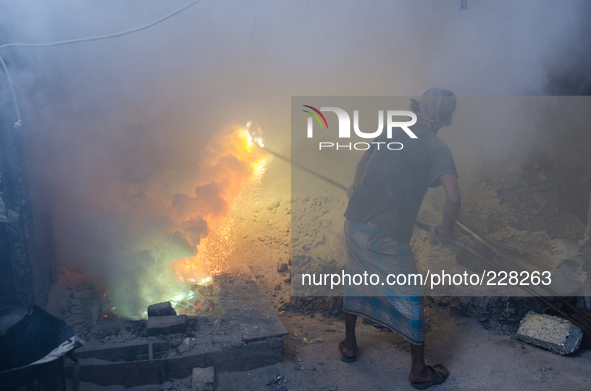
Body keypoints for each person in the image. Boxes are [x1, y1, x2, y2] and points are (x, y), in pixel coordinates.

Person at [340, 88, 461, 390]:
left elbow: (364, 161)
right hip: (388, 235)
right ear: (446, 118)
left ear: (419, 108)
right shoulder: (438, 147)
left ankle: (349, 345)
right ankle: (418, 371)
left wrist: (356, 187)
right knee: (411, 298)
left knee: (356, 279)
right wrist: (445, 229)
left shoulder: (394, 129)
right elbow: (453, 197)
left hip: (355, 222)